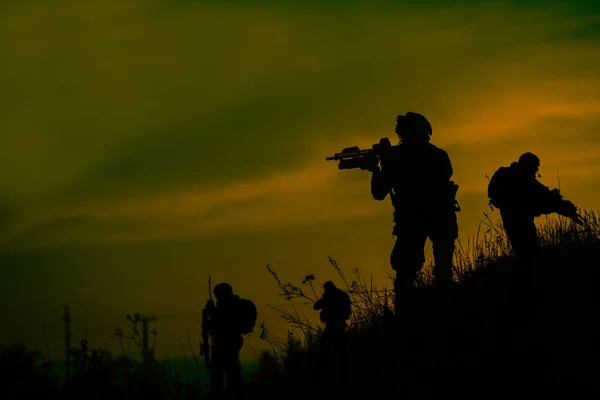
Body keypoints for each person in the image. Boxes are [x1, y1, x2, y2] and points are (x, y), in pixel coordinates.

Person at [366, 112, 460, 310]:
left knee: (412, 272)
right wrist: (381, 165)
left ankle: (415, 312)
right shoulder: (437, 155)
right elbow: (381, 192)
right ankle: (441, 307)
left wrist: (381, 165)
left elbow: (379, 192)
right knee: (431, 270)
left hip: (417, 218)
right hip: (432, 217)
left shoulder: (401, 158)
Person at [488, 152, 582, 280]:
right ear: (528, 165)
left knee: (524, 252)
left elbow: (545, 199)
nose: (537, 170)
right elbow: (545, 199)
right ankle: (525, 284)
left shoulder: (516, 177)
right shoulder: (522, 180)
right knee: (526, 253)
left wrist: (565, 209)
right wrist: (565, 209)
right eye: (535, 167)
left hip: (514, 219)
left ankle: (524, 281)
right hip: (518, 221)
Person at [204, 283, 256, 399]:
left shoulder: (230, 307)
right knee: (230, 372)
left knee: (227, 374)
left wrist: (213, 313)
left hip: (227, 344)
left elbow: (224, 322)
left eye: (218, 295)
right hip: (226, 344)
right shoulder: (227, 307)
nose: (217, 298)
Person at [313, 281, 351, 383]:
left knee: (324, 350)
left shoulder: (329, 297)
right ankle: (343, 373)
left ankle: (325, 373)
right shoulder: (342, 295)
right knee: (342, 352)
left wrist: (325, 298)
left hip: (332, 327)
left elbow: (316, 306)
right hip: (340, 326)